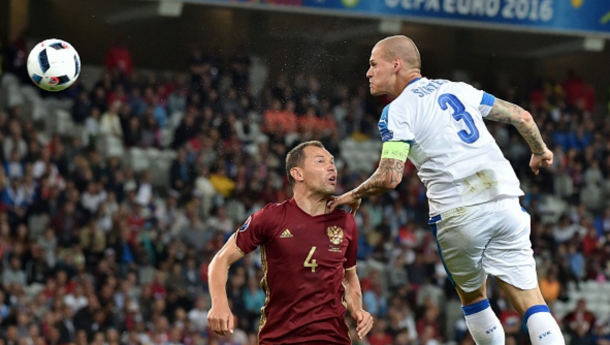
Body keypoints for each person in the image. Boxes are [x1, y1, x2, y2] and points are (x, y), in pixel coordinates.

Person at [328, 35, 564, 345]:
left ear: (396, 64)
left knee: (474, 299)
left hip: (459, 213)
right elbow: (522, 116)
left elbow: (390, 177)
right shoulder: (458, 89)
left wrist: (355, 193)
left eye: (373, 64)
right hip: (506, 201)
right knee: (533, 303)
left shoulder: (397, 111)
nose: (368, 72)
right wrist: (540, 150)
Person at [207, 140, 374, 344]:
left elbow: (349, 276)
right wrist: (219, 304)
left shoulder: (346, 222)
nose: (332, 167)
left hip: (332, 338)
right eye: (320, 161)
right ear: (298, 174)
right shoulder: (271, 217)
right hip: (281, 338)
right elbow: (221, 260)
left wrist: (357, 309)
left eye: (332, 162)